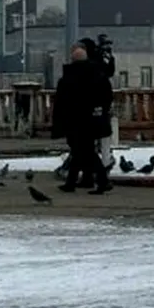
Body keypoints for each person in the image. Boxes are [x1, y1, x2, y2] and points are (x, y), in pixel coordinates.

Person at [51, 41, 113, 195]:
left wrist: (59, 123)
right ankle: (73, 182)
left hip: (75, 121)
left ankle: (102, 181)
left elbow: (61, 102)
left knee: (84, 152)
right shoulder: (97, 75)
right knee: (80, 151)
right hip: (92, 120)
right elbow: (107, 96)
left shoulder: (69, 77)